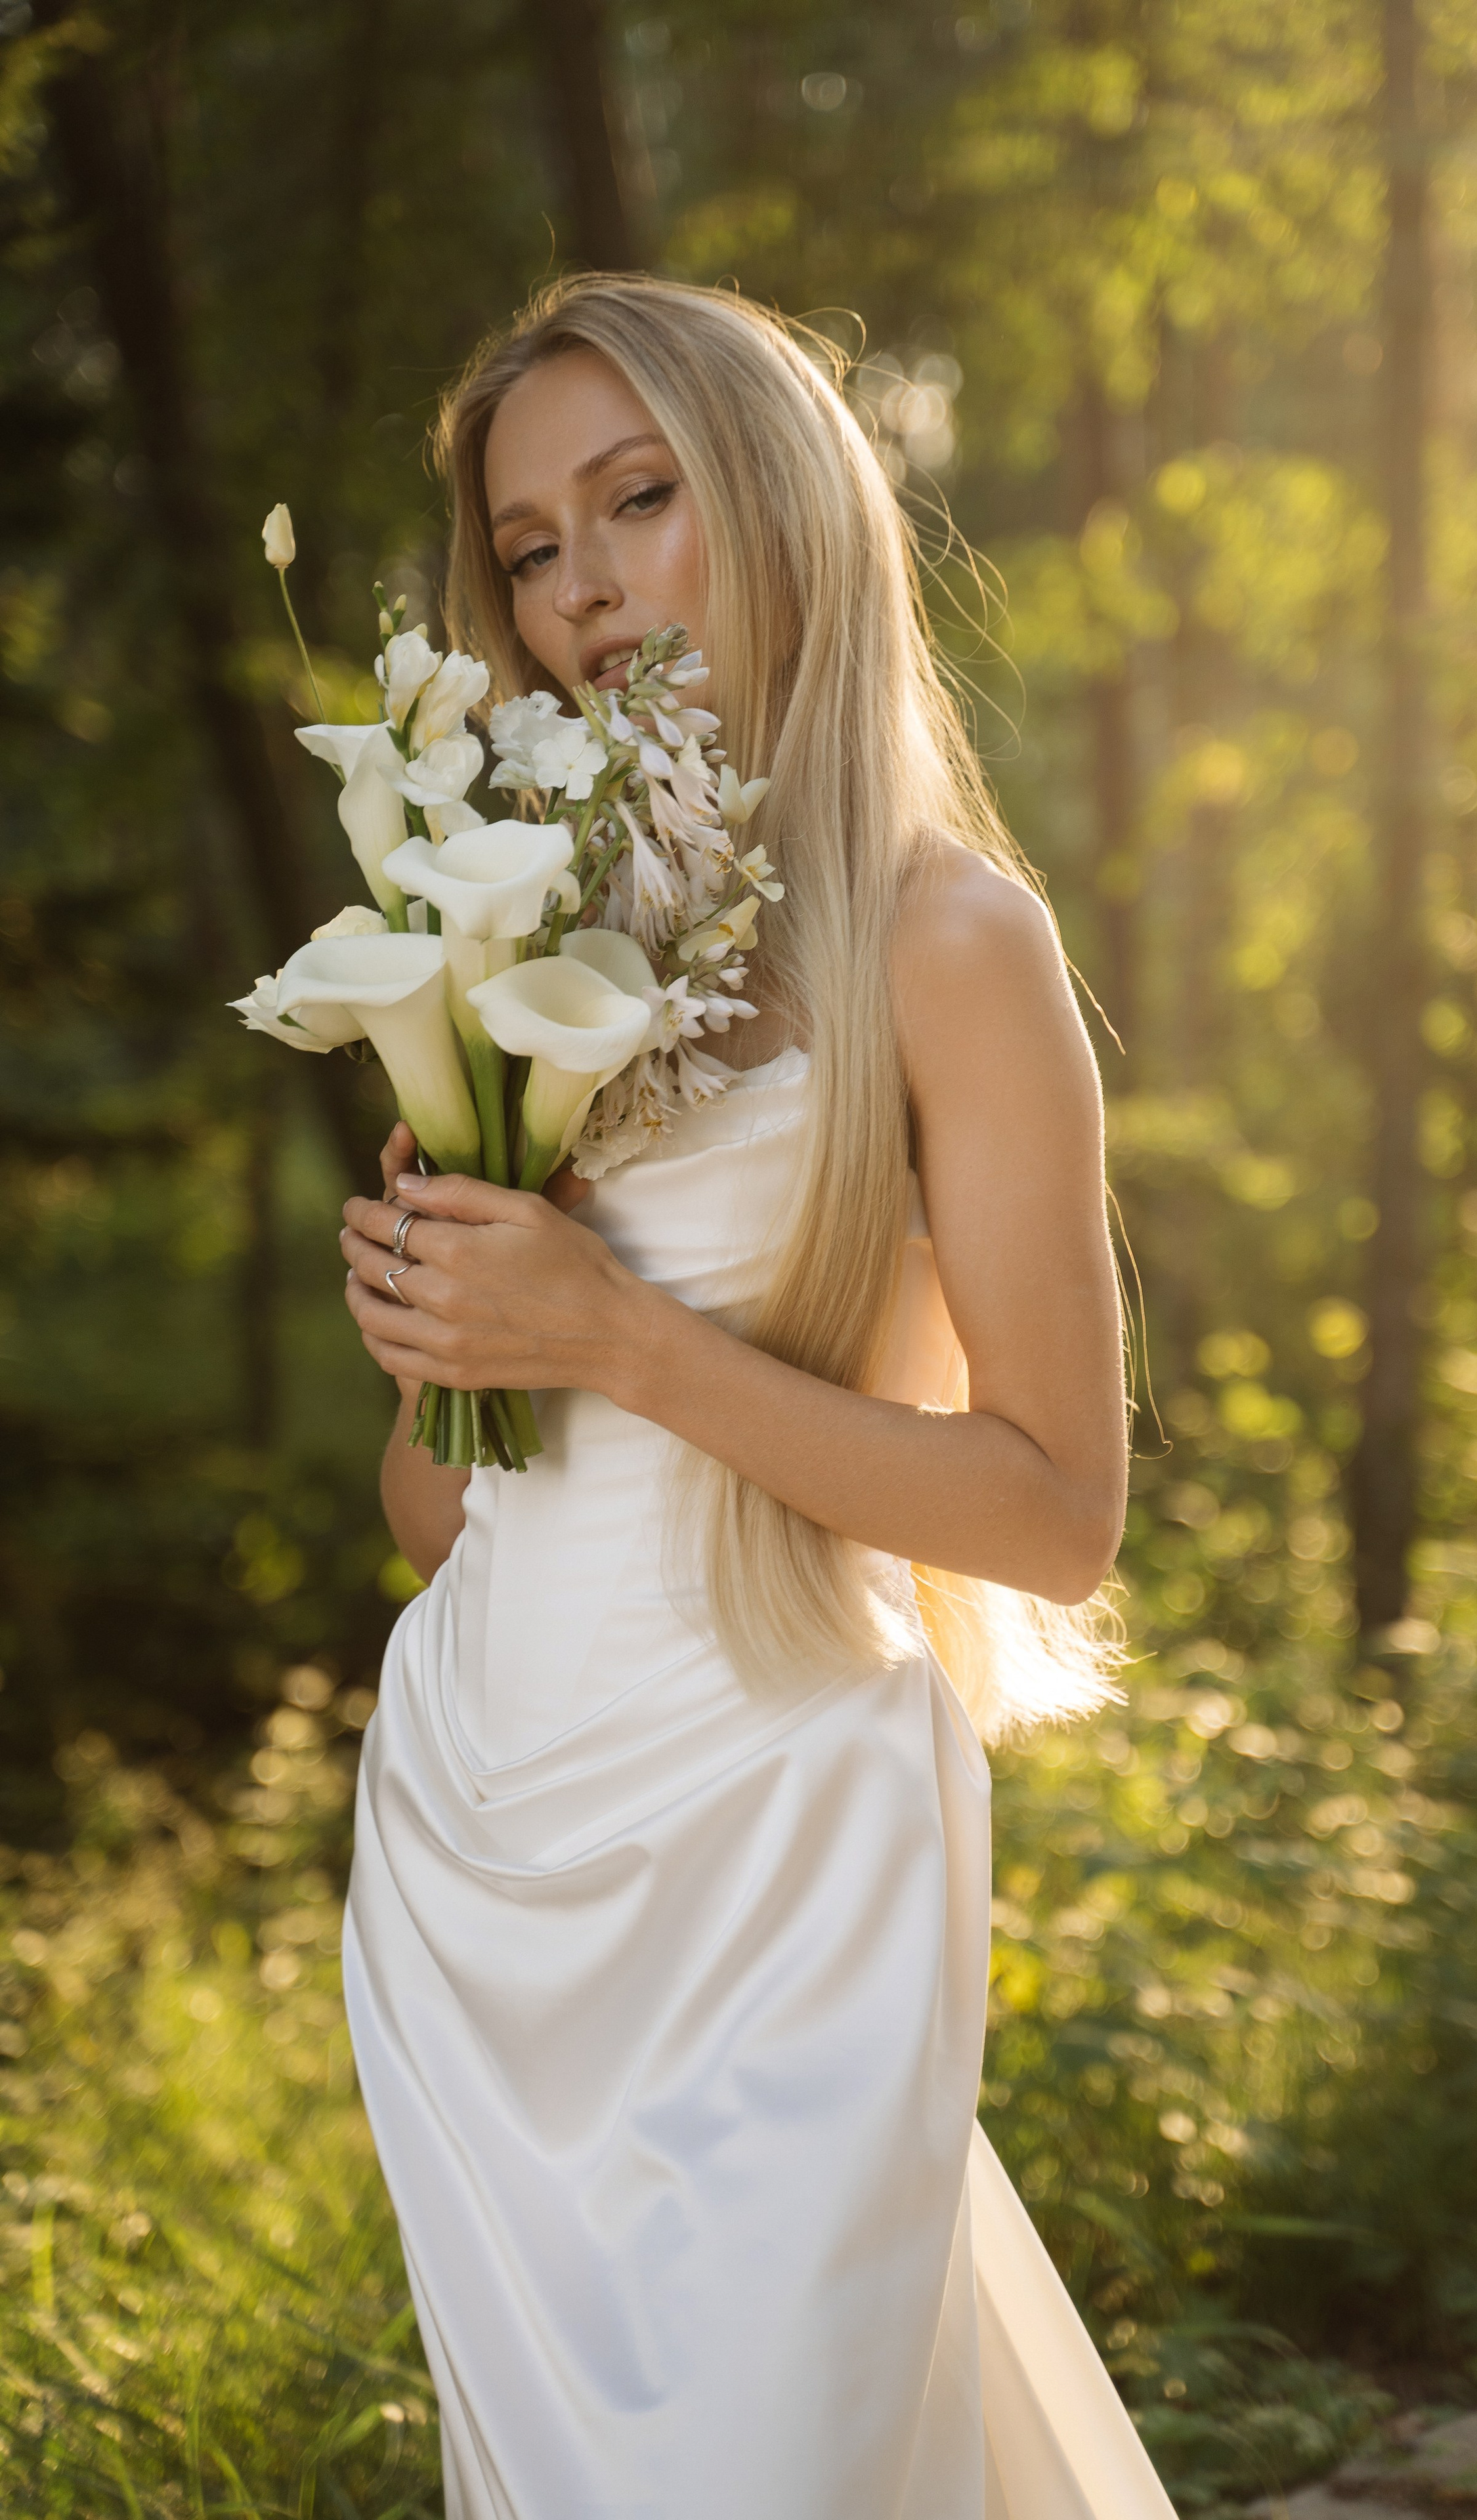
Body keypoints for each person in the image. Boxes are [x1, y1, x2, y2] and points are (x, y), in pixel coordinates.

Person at [336, 273, 1174, 2520]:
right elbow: (445, 1523)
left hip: (777, 1848)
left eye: (638, 497)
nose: (583, 583)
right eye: (527, 545)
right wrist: (448, 1340)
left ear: (786, 501)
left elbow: (1051, 1516)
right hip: (479, 1845)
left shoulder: (945, 939)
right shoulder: (528, 949)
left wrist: (616, 1338)